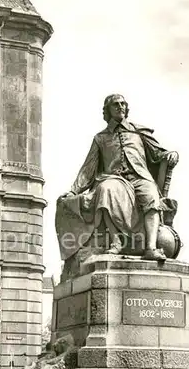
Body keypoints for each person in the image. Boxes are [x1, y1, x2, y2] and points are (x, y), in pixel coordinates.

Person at [61, 94, 179, 261]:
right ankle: (116, 241)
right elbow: (88, 168)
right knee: (104, 189)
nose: (120, 107)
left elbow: (158, 152)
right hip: (114, 177)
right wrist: (73, 191)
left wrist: (170, 154)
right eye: (115, 104)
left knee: (151, 195)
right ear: (108, 110)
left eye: (123, 104)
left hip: (139, 177)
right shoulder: (100, 138)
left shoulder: (138, 131)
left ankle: (151, 248)